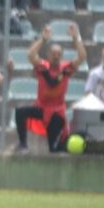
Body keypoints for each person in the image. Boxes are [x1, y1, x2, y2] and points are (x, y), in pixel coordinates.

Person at [15, 24, 87, 154]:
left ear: (62, 55)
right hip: (42, 108)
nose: (56, 56)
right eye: (53, 53)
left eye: (59, 54)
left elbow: (82, 57)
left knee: (54, 149)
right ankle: (23, 145)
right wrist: (43, 39)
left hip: (56, 112)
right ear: (48, 54)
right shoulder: (43, 66)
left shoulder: (66, 68)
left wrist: (76, 38)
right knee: (20, 112)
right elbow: (31, 55)